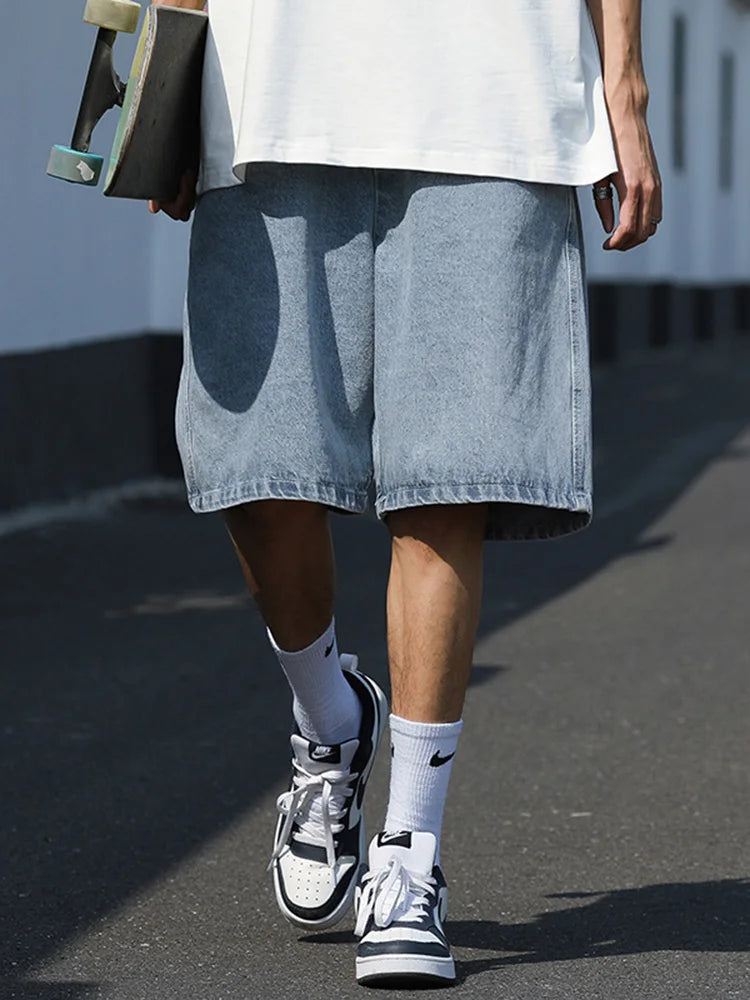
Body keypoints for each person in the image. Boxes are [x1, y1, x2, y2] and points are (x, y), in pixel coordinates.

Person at [150, 0, 661, 986]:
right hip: (270, 93)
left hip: (496, 96)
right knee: (259, 471)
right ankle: (330, 721)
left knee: (447, 481)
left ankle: (409, 858)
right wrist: (165, 66)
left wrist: (625, 86)